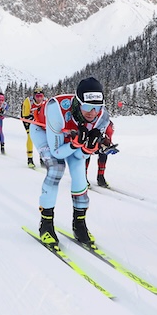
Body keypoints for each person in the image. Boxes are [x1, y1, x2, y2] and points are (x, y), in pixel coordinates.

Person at [29, 77, 110, 246]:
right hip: (44, 131)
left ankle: (79, 224)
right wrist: (75, 144)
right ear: (77, 102)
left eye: (97, 107)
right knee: (56, 168)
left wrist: (87, 149)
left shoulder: (102, 117)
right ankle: (46, 224)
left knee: (79, 172)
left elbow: (80, 157)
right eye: (87, 107)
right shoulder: (56, 109)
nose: (92, 112)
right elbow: (57, 152)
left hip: (70, 140)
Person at [21, 86, 46, 168]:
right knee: (30, 136)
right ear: (34, 96)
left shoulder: (45, 101)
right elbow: (25, 116)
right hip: (28, 119)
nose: (39, 98)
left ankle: (42, 158)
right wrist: (33, 119)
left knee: (42, 138)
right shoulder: (28, 101)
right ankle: (30, 159)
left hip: (39, 120)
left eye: (41, 96)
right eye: (37, 96)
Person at [85, 120, 115, 187]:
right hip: (88, 140)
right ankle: (83, 177)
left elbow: (109, 136)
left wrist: (108, 145)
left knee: (104, 154)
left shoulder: (108, 123)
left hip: (100, 141)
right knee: (86, 153)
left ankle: (101, 176)